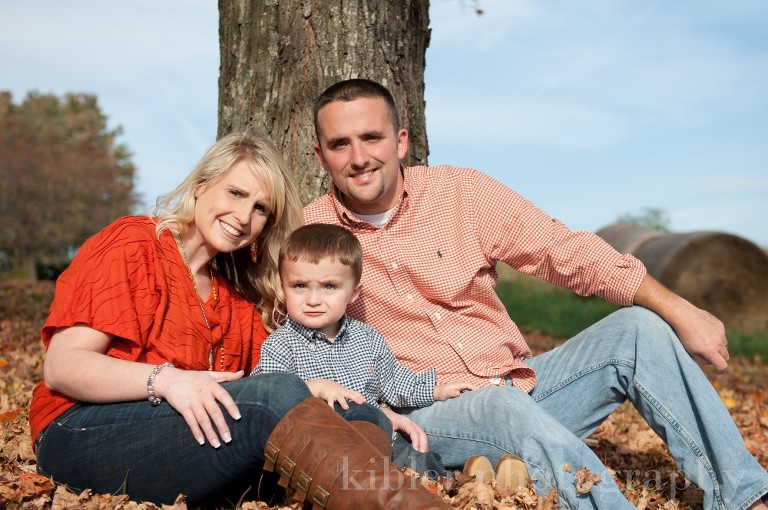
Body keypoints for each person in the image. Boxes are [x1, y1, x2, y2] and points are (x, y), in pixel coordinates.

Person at [303, 78, 768, 509]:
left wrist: (681, 310)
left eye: (371, 137)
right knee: (498, 405)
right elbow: (287, 339)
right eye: (340, 144)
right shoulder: (307, 233)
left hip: (522, 387)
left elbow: (561, 250)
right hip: (425, 417)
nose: (359, 157)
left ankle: (746, 498)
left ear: (400, 141)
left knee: (637, 329)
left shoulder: (461, 192)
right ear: (321, 157)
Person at [29, 128, 452, 510]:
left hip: (188, 443)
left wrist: (371, 411)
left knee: (360, 415)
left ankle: (406, 487)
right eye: (235, 193)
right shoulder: (134, 244)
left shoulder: (236, 301)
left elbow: (264, 402)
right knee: (278, 395)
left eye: (260, 208)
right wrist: (168, 380)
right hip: (82, 433)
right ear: (201, 185)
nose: (244, 216)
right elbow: (63, 368)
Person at [251, 223, 473, 426]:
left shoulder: (366, 338)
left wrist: (436, 392)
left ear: (353, 293)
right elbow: (265, 398)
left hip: (374, 432)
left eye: (329, 287)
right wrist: (314, 388)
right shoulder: (281, 345)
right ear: (283, 288)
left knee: (417, 447)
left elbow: (394, 382)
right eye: (300, 286)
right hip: (315, 439)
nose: (313, 299)